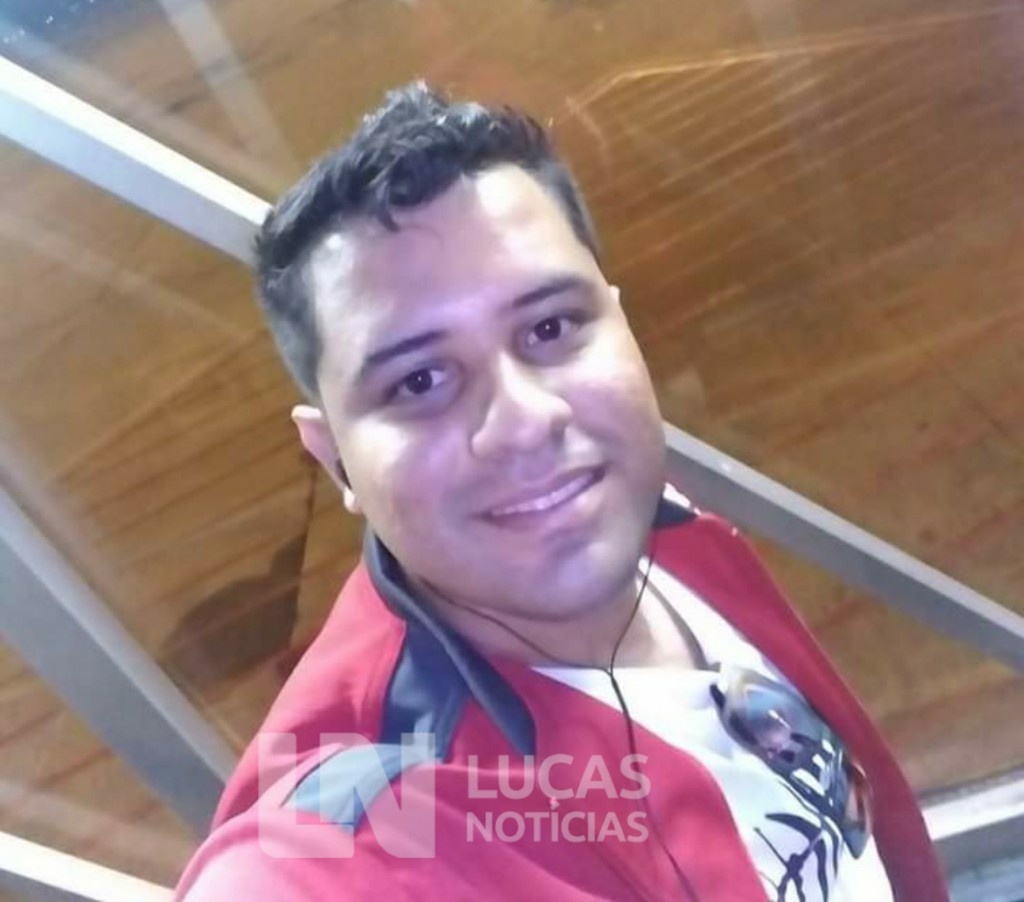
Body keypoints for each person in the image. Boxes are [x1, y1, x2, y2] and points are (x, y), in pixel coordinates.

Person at [174, 82, 947, 901]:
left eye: (550, 328)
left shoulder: (648, 517)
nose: (525, 421)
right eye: (420, 380)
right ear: (335, 460)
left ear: (622, 326)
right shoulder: (369, 828)